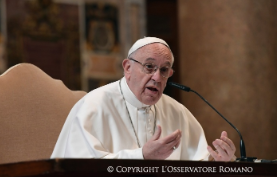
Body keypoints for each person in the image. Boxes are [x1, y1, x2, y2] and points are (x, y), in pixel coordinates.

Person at [51, 37, 236, 161]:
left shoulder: (177, 111)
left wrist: (218, 164)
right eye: (149, 66)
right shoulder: (93, 106)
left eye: (164, 70)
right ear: (127, 68)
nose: (157, 77)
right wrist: (141, 156)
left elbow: (197, 166)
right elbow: (81, 171)